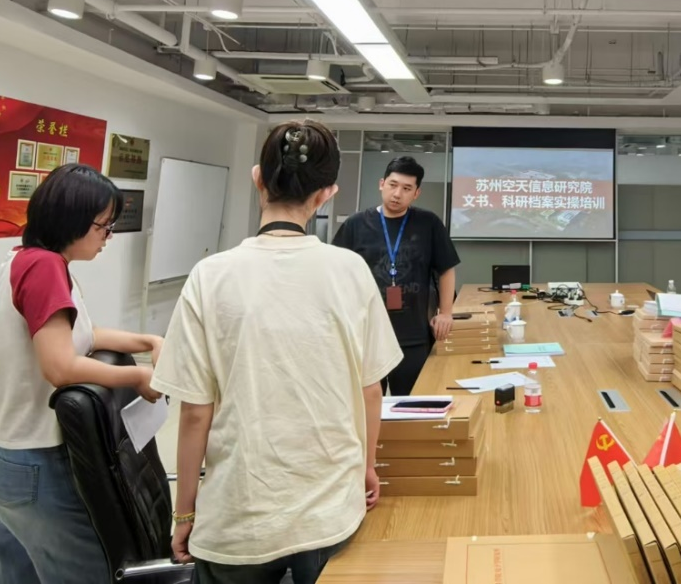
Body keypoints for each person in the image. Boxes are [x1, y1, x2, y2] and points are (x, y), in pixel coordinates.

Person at [152, 121, 403, 584]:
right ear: (326, 193)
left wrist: (185, 513)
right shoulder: (350, 270)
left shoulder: (210, 275)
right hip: (330, 508)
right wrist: (366, 467)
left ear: (258, 179)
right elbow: (371, 391)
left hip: (239, 516)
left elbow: (194, 413)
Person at [0, 163, 163, 584]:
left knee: (14, 575)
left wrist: (148, 340)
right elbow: (60, 366)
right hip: (36, 462)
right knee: (87, 574)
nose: (108, 237)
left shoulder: (26, 259)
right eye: (103, 226)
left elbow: (84, 334)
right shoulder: (44, 268)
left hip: (6, 453)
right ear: (71, 220)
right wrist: (137, 378)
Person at [333, 155, 460, 395]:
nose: (397, 194)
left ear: (416, 193)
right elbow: (337, 273)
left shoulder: (428, 223)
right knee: (367, 405)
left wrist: (446, 313)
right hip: (367, 336)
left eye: (406, 188)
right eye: (393, 185)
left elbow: (446, 268)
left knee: (412, 404)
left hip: (414, 335)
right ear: (382, 184)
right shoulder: (355, 224)